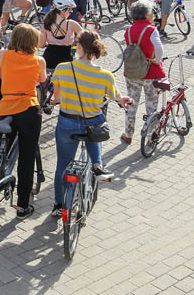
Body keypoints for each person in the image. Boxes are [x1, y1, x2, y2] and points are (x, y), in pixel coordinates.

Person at [50, 29, 133, 215]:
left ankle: (58, 206)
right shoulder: (105, 75)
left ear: (78, 46)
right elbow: (117, 97)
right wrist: (123, 100)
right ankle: (97, 166)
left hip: (67, 122)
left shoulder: (62, 68)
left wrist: (59, 99)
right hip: (92, 124)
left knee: (62, 165)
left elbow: (57, 97)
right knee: (95, 126)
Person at [0, 23, 45, 218]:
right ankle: (23, 205)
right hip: (28, 110)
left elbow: (1, 75)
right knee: (26, 157)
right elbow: (42, 79)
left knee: (0, 150)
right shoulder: (39, 61)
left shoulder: (2, 55)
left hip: (6, 108)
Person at [121, 0, 165, 144]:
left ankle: (128, 134)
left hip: (133, 71)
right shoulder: (151, 30)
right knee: (151, 105)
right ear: (146, 14)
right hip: (150, 72)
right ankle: (150, 137)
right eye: (151, 12)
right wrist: (157, 60)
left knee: (131, 103)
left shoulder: (128, 30)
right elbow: (159, 48)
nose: (153, 14)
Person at [39, 0, 82, 71]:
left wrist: (49, 43)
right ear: (64, 10)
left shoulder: (46, 24)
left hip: (49, 60)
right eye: (70, 10)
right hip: (66, 61)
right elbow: (86, 38)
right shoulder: (72, 24)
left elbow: (41, 45)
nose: (71, 13)